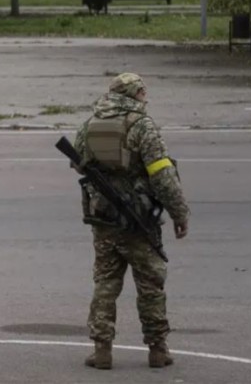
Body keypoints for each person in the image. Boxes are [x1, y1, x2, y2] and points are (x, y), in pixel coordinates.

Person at [74, 72, 190, 370]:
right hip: (139, 220)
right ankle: (157, 349)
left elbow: (78, 161)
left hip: (104, 219)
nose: (145, 97)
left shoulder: (90, 124)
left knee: (105, 282)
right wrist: (179, 213)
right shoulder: (143, 126)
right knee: (150, 283)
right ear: (134, 94)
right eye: (142, 92)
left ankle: (102, 351)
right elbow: (163, 177)